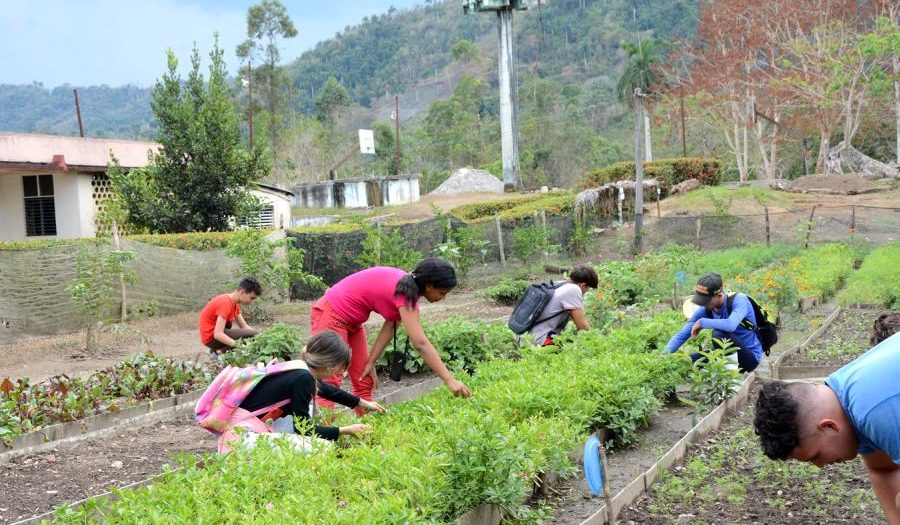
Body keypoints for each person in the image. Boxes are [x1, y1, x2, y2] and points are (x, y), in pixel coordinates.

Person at [754, 333, 900, 524]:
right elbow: (884, 470)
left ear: (828, 426)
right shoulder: (844, 401)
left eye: (815, 456)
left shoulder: (878, 411)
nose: (819, 465)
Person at [310, 257, 471, 406]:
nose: (442, 298)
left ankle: (365, 430)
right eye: (442, 293)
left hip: (353, 323)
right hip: (331, 314)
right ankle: (322, 435)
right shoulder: (405, 292)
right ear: (429, 286)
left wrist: (371, 361)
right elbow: (420, 344)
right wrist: (449, 380)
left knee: (364, 379)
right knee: (329, 380)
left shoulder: (407, 286)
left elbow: (391, 325)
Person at [220, 330, 386, 453]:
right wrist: (345, 430)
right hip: (241, 441)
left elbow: (327, 391)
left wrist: (362, 403)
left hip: (238, 433)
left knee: (306, 429)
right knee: (324, 448)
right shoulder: (303, 378)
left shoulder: (299, 369)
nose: (341, 372)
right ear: (332, 367)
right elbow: (304, 430)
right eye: (342, 368)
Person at [665, 273, 763, 373]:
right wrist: (663, 356)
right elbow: (682, 334)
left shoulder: (740, 300)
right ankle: (725, 370)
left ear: (719, 295)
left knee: (719, 333)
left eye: (705, 301)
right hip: (727, 355)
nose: (703, 304)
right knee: (685, 362)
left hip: (750, 358)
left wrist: (702, 322)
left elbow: (730, 325)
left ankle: (731, 378)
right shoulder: (706, 309)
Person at [528, 265, 598, 346]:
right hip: (539, 340)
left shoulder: (560, 284)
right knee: (575, 348)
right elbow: (582, 327)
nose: (586, 291)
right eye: (588, 288)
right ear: (583, 285)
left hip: (527, 337)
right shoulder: (574, 289)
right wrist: (596, 340)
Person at [198, 277, 261, 356]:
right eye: (251, 298)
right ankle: (218, 352)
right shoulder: (225, 303)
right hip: (211, 338)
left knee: (253, 335)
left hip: (215, 336)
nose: (251, 302)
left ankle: (219, 351)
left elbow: (244, 327)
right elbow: (218, 334)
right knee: (252, 335)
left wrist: (261, 337)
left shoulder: (235, 303)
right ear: (242, 292)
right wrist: (239, 346)